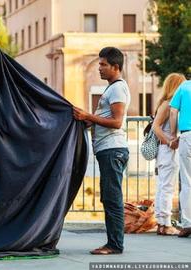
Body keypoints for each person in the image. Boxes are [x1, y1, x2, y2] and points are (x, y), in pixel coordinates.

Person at [73, 47, 130, 254]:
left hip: (113, 150)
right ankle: (113, 242)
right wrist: (85, 121)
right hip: (108, 151)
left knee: (112, 197)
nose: (99, 68)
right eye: (99, 64)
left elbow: (116, 122)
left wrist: (88, 115)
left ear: (116, 67)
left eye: (103, 64)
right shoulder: (111, 88)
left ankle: (114, 245)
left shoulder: (117, 89)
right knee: (108, 196)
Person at [152, 73, 185, 235]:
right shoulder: (167, 104)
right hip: (168, 150)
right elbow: (156, 127)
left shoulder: (166, 103)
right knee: (167, 187)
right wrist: (170, 141)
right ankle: (165, 224)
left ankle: (161, 222)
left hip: (165, 150)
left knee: (163, 186)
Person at [169, 78, 191, 238]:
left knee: (187, 182)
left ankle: (188, 223)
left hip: (187, 136)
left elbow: (173, 111)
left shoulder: (184, 87)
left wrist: (172, 134)